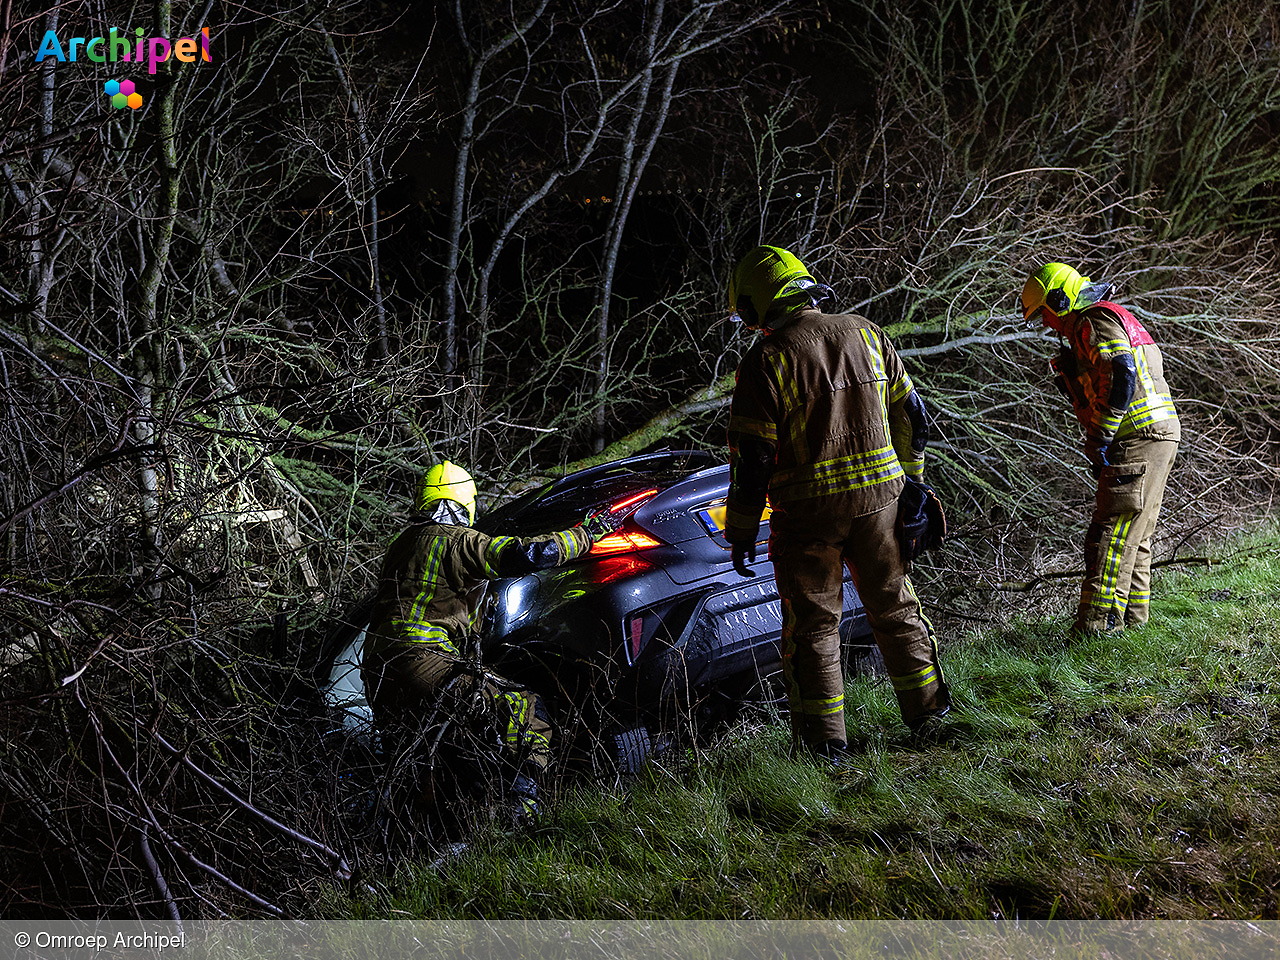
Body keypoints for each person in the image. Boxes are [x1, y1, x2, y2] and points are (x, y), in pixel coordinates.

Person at [723, 245, 950, 763]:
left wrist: (740, 529)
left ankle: (826, 748)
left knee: (814, 626)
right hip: (880, 503)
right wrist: (913, 485)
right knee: (895, 607)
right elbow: (913, 416)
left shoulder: (766, 360)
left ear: (758, 304)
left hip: (808, 516)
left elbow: (753, 458)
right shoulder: (868, 333)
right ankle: (929, 717)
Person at [362, 460, 620, 821]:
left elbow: (431, 598)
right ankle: (523, 810)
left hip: (376, 677)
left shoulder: (401, 546)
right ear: (465, 503)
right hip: (422, 660)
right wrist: (586, 534)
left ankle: (428, 842)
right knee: (523, 708)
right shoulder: (456, 541)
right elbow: (528, 554)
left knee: (433, 761)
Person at [1021, 262, 1180, 636]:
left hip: (1136, 437)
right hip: (1158, 434)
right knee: (1134, 535)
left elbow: (1122, 373)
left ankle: (1096, 630)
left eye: (1043, 313)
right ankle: (1133, 625)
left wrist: (1100, 439)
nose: (1045, 324)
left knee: (1107, 537)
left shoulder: (1093, 321)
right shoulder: (1112, 317)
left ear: (1059, 300)